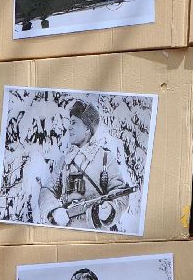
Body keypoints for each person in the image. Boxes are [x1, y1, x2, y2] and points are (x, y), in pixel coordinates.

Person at [36, 98, 134, 230]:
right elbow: (47, 190)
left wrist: (109, 210)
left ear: (87, 128)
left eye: (74, 123)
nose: (69, 127)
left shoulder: (105, 158)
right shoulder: (65, 160)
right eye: (70, 122)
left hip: (95, 233)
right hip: (66, 230)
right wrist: (54, 210)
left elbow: (120, 194)